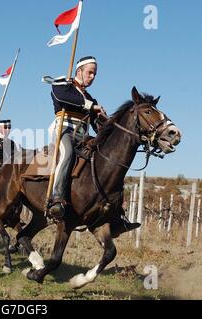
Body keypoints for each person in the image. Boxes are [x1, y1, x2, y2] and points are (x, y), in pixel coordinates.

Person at [47, 56, 140, 234]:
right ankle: (57, 199)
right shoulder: (62, 85)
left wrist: (108, 124)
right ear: (79, 71)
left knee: (107, 164)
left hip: (83, 136)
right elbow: (64, 98)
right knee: (67, 154)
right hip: (64, 131)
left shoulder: (90, 98)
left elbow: (99, 127)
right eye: (90, 72)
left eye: (95, 74)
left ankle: (116, 215)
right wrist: (92, 107)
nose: (92, 77)